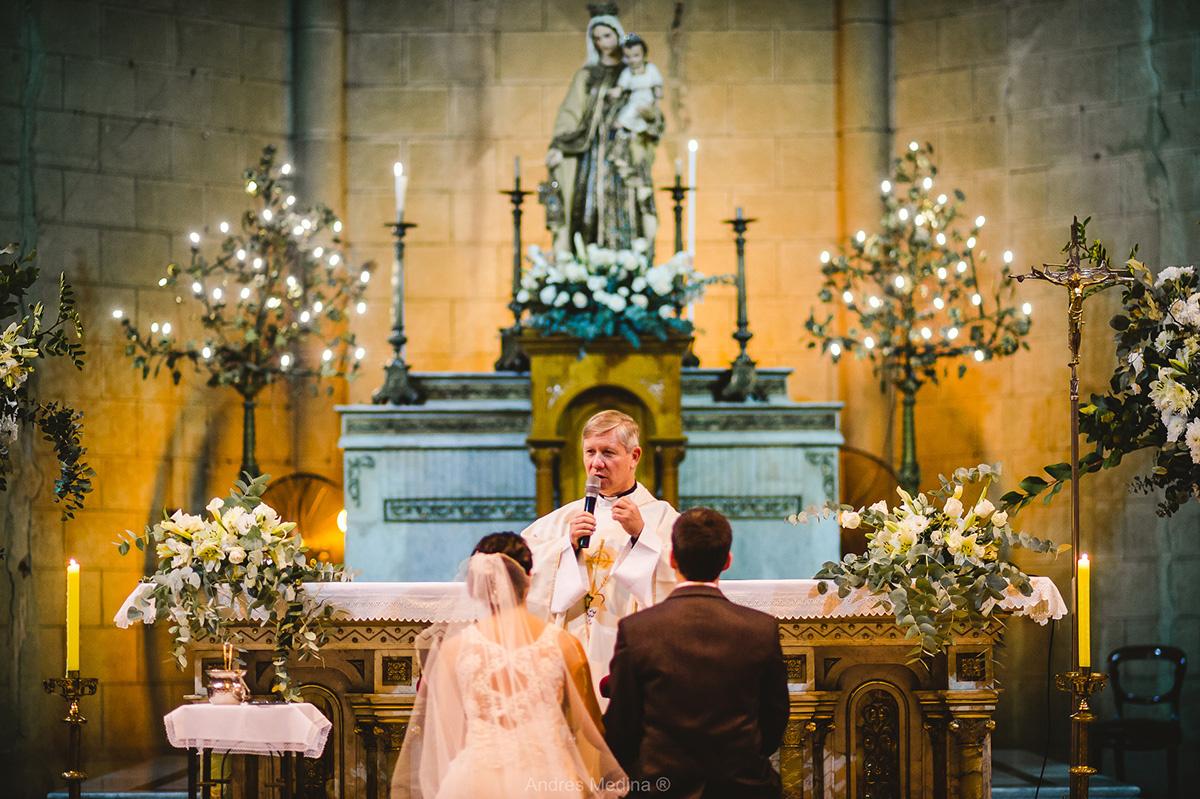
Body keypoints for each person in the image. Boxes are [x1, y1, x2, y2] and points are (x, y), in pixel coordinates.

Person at [391, 532, 626, 799]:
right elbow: (589, 725)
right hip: (548, 780)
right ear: (528, 579)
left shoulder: (454, 651)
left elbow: (443, 737)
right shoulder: (563, 644)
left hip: (476, 780)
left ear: (473, 586)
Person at [603, 508, 790, 798]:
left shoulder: (638, 629)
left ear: (672, 559)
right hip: (742, 785)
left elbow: (621, 726)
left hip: (660, 786)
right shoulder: (761, 629)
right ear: (727, 561)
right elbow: (774, 719)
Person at [523, 410, 678, 699]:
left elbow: (683, 580)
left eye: (608, 452)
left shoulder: (661, 519)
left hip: (632, 651)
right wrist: (563, 548)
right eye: (590, 452)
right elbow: (521, 571)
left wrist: (642, 536)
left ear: (634, 456)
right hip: (571, 646)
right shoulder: (560, 521)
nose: (596, 464)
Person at [545, 14, 661, 252]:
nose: (602, 44)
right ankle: (584, 264)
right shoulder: (586, 75)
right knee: (588, 207)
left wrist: (650, 115)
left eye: (607, 36)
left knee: (626, 205)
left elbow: (653, 110)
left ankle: (630, 264)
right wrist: (558, 145)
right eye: (596, 38)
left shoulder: (633, 73)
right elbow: (570, 113)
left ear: (618, 36)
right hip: (591, 154)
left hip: (623, 152)